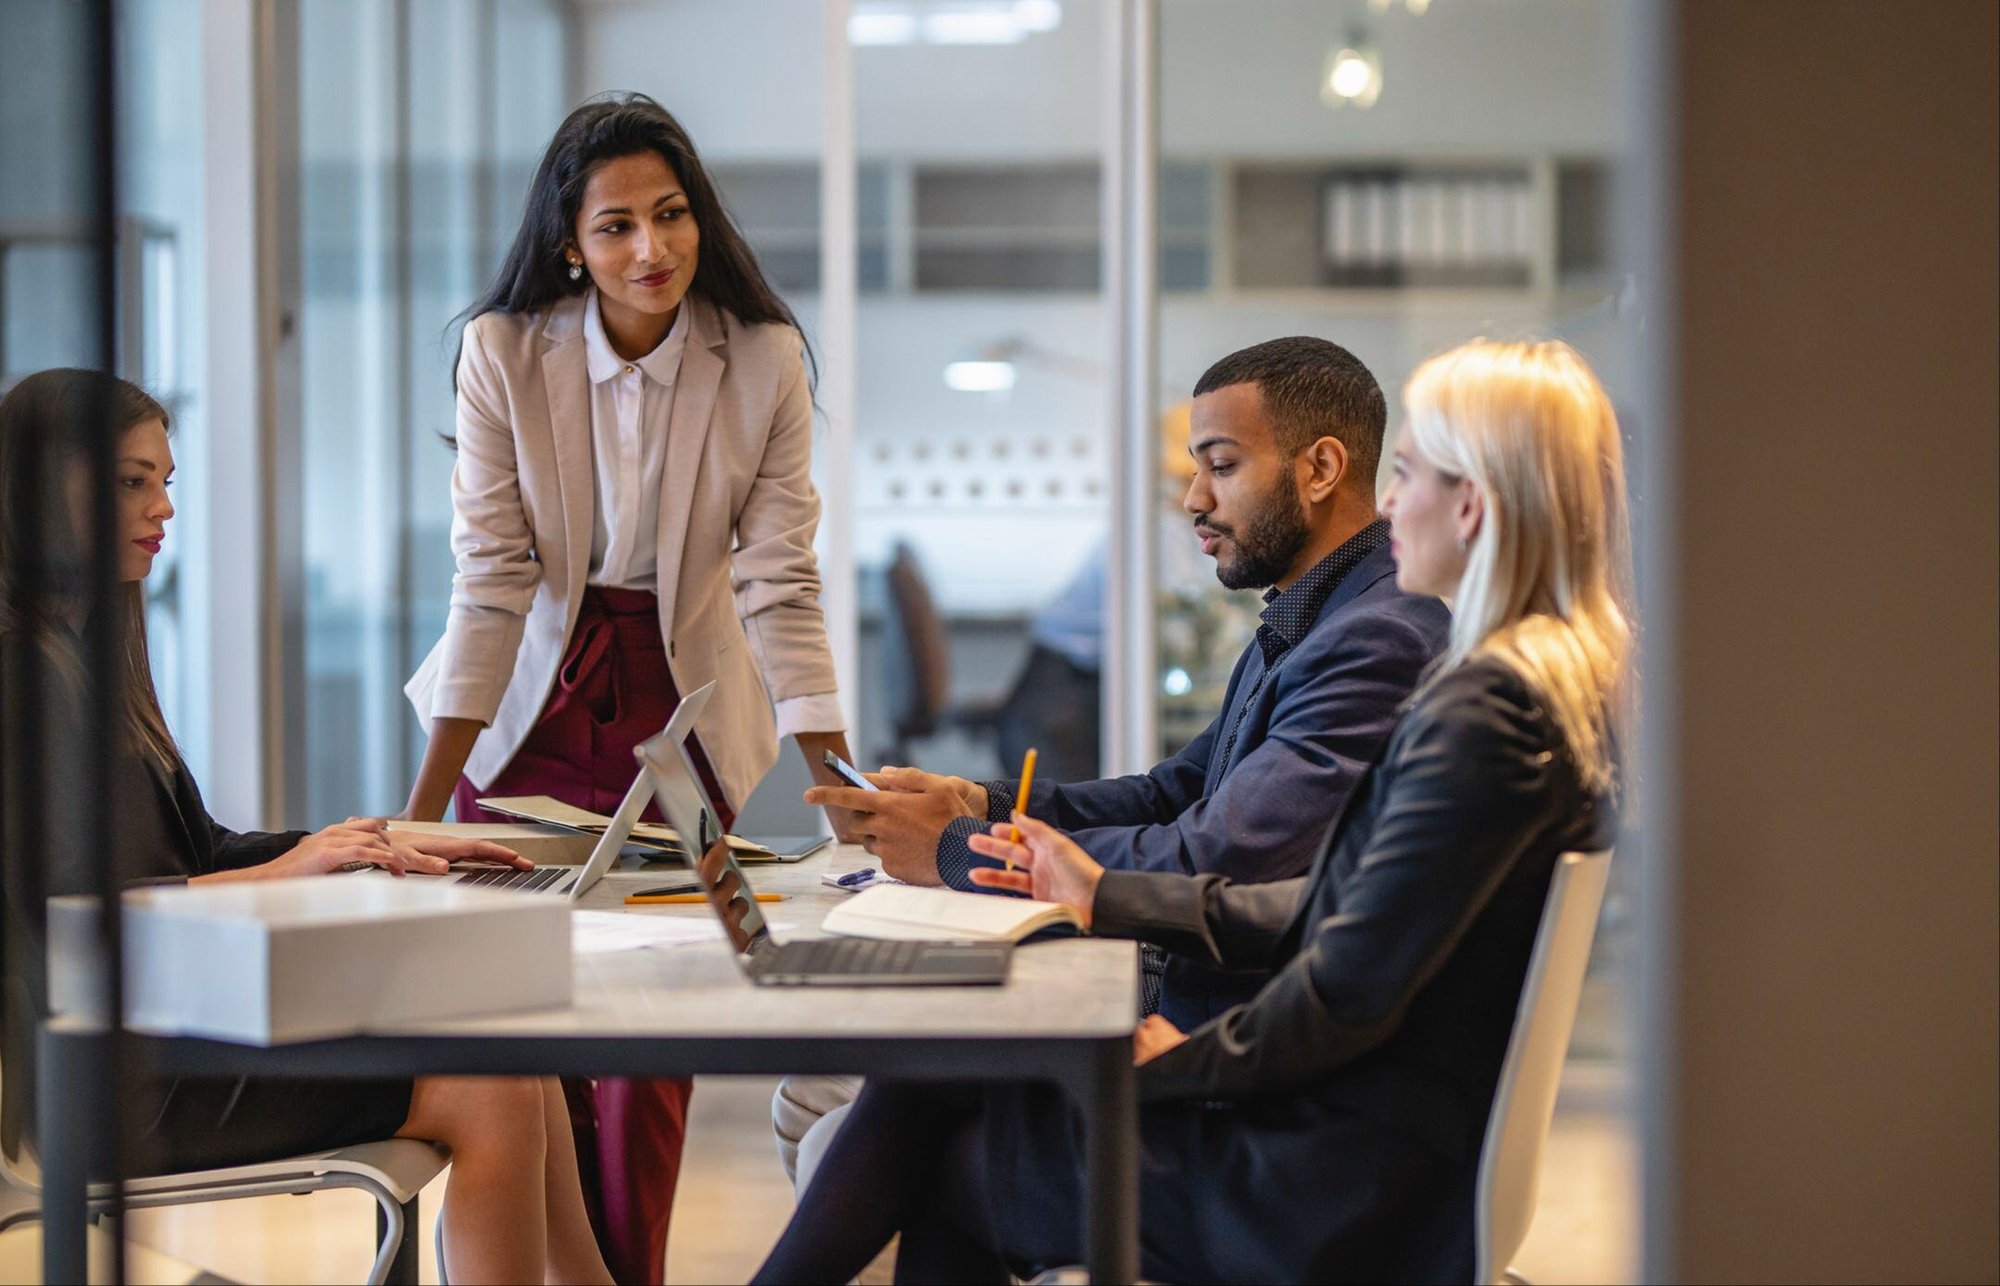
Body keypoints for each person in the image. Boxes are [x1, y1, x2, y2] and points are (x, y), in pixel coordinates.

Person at [753, 337, 1631, 1284]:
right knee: (936, 1096)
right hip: (1361, 1132)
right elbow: (1335, 911)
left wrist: (1186, 1061)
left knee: (945, 1149)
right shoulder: (1532, 690)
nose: (1385, 503)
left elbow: (1343, 984)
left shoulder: (1475, 707)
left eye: (1406, 474)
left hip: (1329, 1178)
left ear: (1473, 504)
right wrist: (1066, 870)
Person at [777, 337, 1450, 1181]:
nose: (1195, 499)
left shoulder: (1374, 636)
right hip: (1196, 989)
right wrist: (977, 804)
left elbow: (1220, 853)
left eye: (1223, 466)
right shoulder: (1316, 610)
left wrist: (955, 851)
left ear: (1320, 469)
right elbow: (1180, 790)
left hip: (1218, 1021)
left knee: (851, 1117)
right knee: (827, 1096)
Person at [0, 369, 613, 1286]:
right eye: (133, 480)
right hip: (110, 1082)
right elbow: (79, 921)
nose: (164, 506)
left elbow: (198, 853)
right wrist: (305, 868)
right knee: (490, 1088)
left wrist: (361, 845)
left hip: (163, 1031)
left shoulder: (89, 660)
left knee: (510, 1051)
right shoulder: (26, 676)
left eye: (166, 480)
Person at [396, 93, 859, 1284]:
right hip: (528, 697)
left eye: (671, 215)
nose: (651, 249)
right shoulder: (503, 351)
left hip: (682, 706)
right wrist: (423, 806)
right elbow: (491, 580)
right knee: (509, 1020)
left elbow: (777, 578)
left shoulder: (759, 359)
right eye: (615, 227)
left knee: (658, 1028)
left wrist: (835, 779)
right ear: (569, 242)